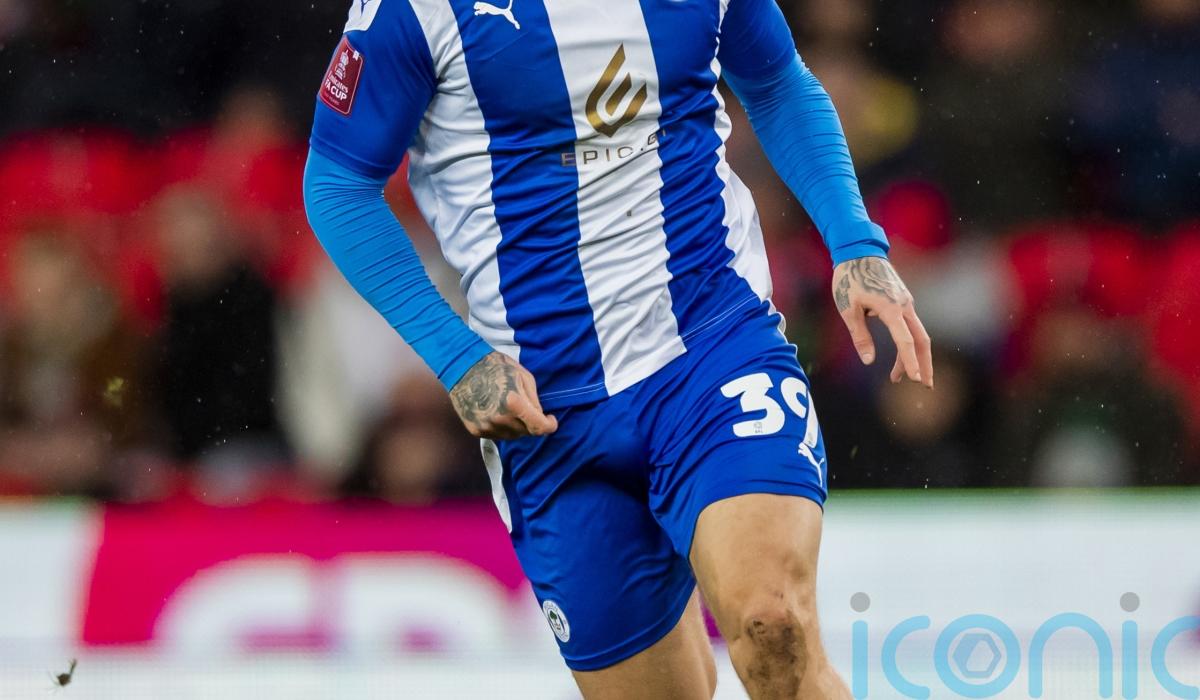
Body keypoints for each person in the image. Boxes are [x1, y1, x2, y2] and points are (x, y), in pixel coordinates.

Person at [303, 0, 933, 697]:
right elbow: (337, 183)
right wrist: (458, 357)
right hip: (548, 410)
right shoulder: (413, 10)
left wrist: (853, 241)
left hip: (710, 348)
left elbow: (777, 81)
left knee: (772, 622)